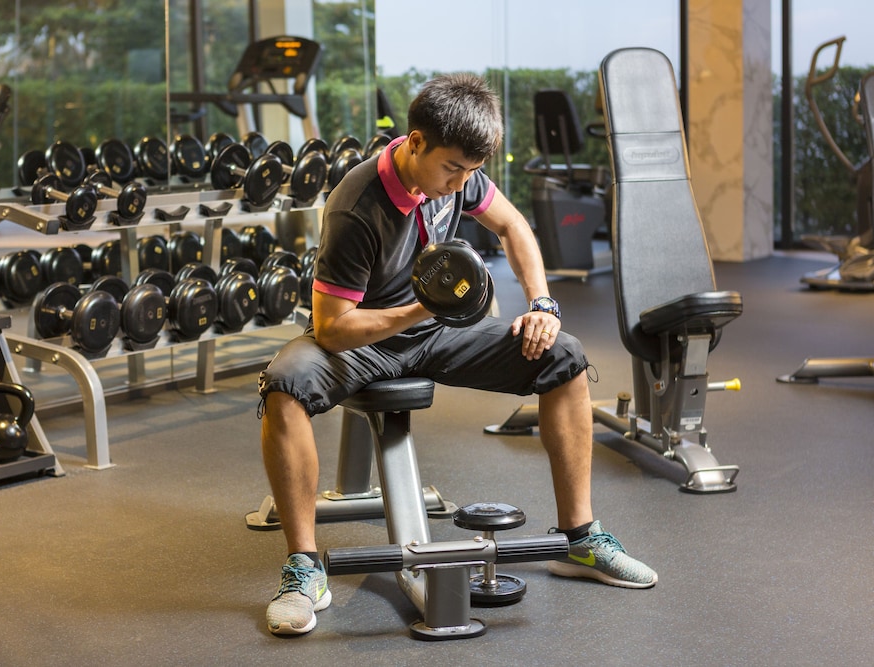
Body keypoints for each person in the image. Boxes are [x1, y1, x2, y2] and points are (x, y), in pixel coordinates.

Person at [257, 73, 657, 637]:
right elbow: (332, 328)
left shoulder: (456, 175)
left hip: (437, 329)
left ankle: (579, 539)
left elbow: (512, 225)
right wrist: (423, 308)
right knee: (285, 382)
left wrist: (542, 303)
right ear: (416, 142)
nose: (461, 184)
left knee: (562, 355)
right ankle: (303, 568)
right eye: (452, 169)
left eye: (471, 171)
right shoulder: (356, 205)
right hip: (364, 340)